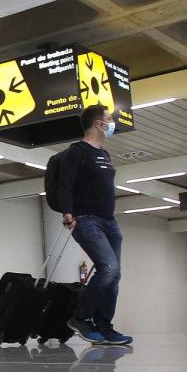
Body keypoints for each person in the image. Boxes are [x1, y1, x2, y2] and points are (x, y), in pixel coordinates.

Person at [58, 105, 132, 346]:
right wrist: (68, 212)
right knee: (108, 267)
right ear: (98, 124)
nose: (112, 123)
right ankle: (80, 317)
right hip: (87, 220)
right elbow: (65, 186)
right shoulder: (77, 152)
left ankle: (104, 327)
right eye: (109, 119)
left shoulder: (105, 154)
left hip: (110, 222)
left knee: (114, 275)